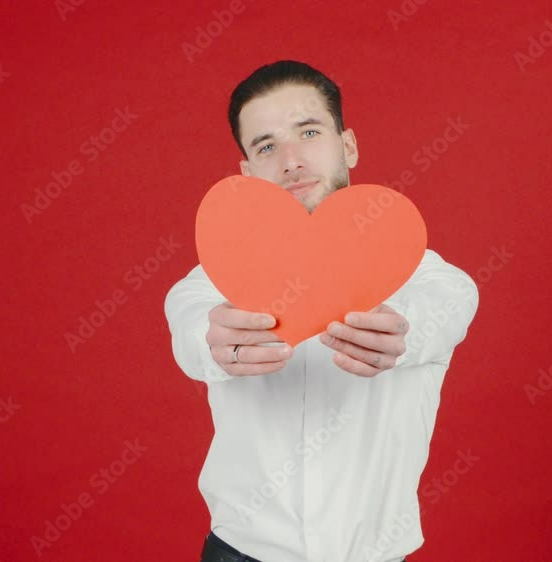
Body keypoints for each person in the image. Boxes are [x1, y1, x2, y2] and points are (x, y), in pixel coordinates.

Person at [164, 60, 479, 562]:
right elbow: (191, 325)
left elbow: (440, 310)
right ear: (248, 173)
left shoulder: (432, 280)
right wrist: (215, 342)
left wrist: (399, 336)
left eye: (308, 132)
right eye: (266, 146)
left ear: (347, 145)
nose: (291, 161)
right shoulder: (210, 282)